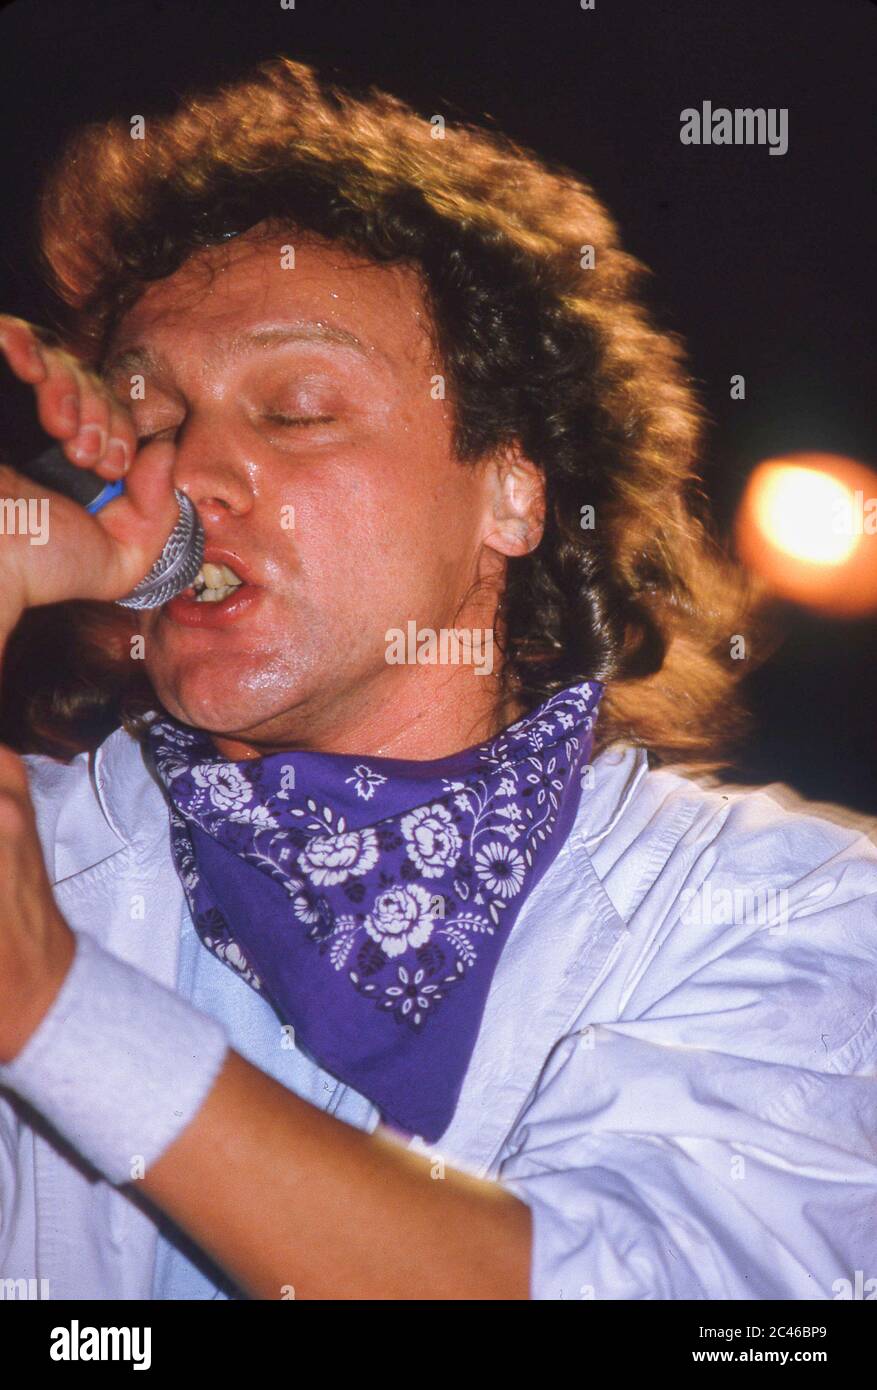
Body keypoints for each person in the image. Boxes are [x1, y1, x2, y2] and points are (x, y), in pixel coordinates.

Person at [0, 57, 874, 1302]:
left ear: (512, 490)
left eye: (296, 408)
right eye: (149, 423)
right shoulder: (45, 850)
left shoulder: (789, 913)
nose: (190, 474)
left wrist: (61, 1014)